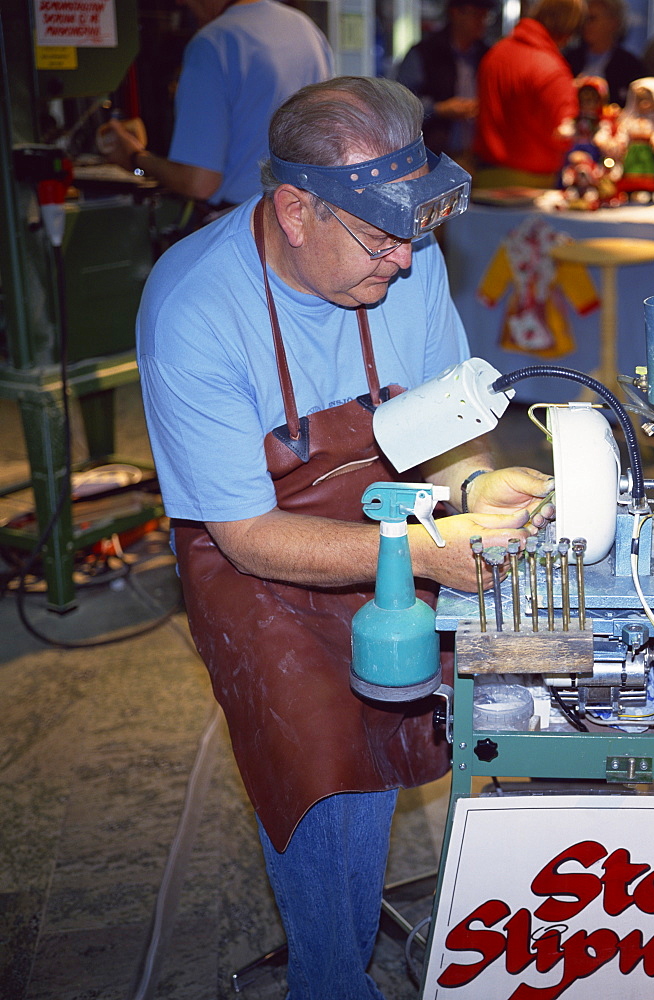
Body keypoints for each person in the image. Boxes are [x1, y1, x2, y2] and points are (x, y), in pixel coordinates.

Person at [136, 76, 553, 997]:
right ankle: (329, 977)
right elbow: (245, 533)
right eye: (379, 241)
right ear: (294, 210)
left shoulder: (403, 251)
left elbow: (441, 431)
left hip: (395, 504)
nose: (404, 264)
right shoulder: (195, 307)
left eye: (414, 236)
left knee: (534, 669)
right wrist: (422, 553)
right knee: (324, 739)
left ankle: (529, 932)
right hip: (256, 544)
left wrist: (476, 484)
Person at [99, 0, 334, 210]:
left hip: (247, 225)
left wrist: (134, 156)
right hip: (308, 214)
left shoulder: (213, 42)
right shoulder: (306, 29)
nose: (180, 2)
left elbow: (199, 183)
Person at [473, 0, 586, 188]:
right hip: (532, 185)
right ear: (569, 30)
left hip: (485, 178)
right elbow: (565, 133)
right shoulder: (551, 69)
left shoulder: (496, 53)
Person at [394, 0, 495, 168]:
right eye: (476, 14)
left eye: (486, 16)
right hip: (433, 155)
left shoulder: (486, 54)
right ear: (455, 13)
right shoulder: (426, 52)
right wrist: (439, 108)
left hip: (480, 157)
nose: (482, 21)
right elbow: (400, 104)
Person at [565, 0, 644, 107]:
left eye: (592, 19)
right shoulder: (569, 59)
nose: (585, 25)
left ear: (614, 23)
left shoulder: (630, 66)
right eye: (583, 19)